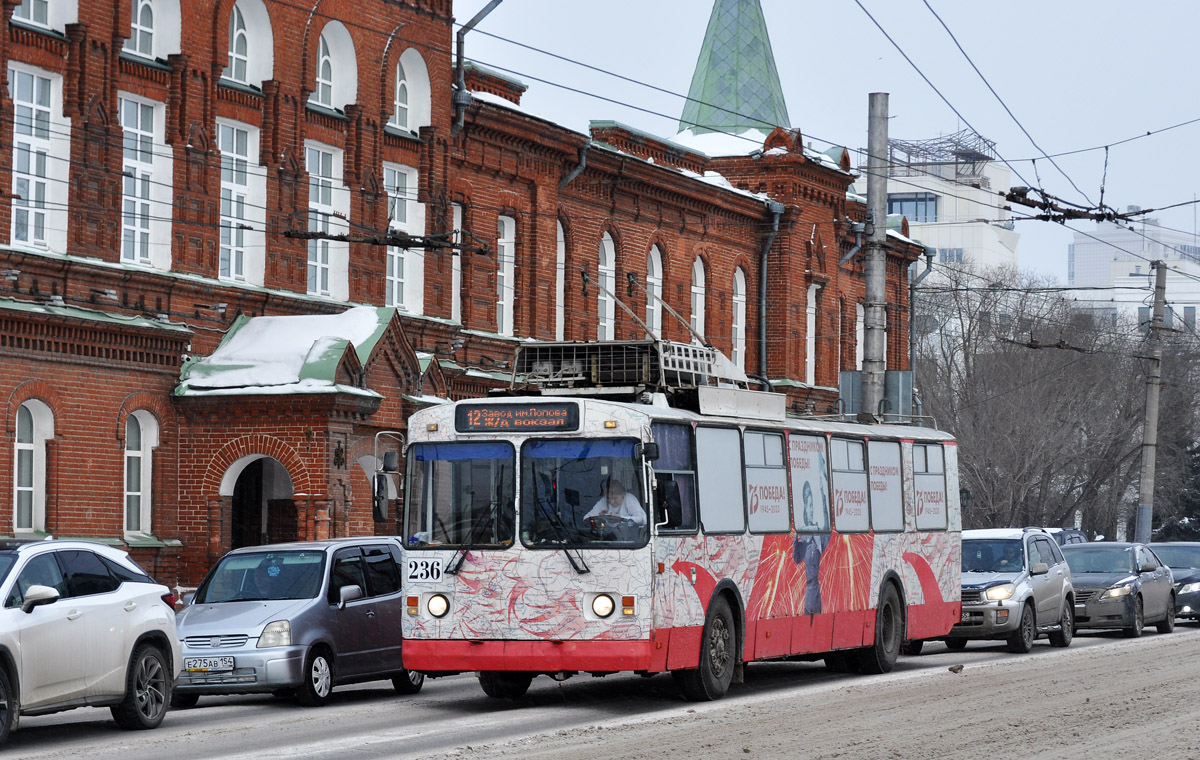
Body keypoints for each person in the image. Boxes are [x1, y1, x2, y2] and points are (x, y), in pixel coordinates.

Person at [582, 479, 646, 527]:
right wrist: (599, 517)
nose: (611, 501)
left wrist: (621, 518)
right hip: (608, 535)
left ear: (623, 495)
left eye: (615, 498)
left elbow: (642, 519)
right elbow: (586, 518)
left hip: (631, 536)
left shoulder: (629, 499)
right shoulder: (603, 501)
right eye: (608, 498)